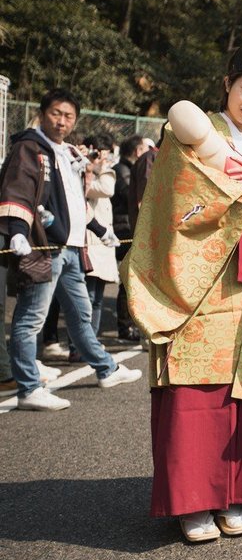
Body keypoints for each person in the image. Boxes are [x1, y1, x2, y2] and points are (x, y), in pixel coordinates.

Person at [121, 41, 242, 541]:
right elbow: (176, 193)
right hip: (199, 283)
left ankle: (237, 494)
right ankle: (194, 501)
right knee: (197, 391)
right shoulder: (191, 133)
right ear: (227, 83)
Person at [0, 88, 141, 411]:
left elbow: (76, 204)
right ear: (42, 113)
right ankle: (29, 388)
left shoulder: (66, 153)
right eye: (56, 114)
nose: (62, 121)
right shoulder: (30, 149)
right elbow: (18, 192)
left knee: (80, 315)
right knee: (29, 318)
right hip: (44, 247)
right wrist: (18, 233)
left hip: (72, 248)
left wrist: (100, 230)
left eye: (68, 116)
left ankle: (106, 368)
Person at [68, 133, 121, 362]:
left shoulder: (94, 172)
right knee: (85, 299)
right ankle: (79, 346)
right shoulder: (83, 174)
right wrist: (95, 166)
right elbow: (107, 188)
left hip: (102, 242)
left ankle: (92, 343)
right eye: (101, 152)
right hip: (89, 240)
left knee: (97, 298)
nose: (105, 157)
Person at [112, 135, 149, 342]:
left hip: (125, 228)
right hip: (124, 229)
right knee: (127, 280)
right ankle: (125, 327)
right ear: (137, 151)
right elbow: (130, 196)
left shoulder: (126, 169)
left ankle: (128, 326)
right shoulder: (123, 170)